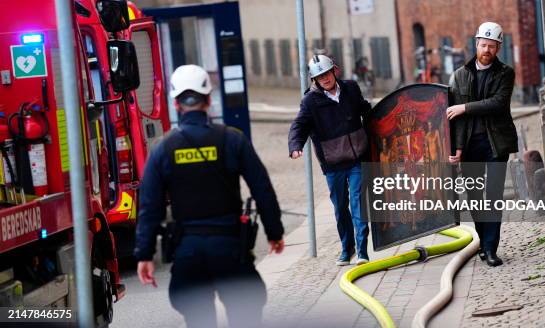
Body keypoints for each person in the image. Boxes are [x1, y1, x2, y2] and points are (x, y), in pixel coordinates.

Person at [134, 65, 285, 327]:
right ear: (209, 98)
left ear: (176, 103)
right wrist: (274, 232)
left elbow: (150, 207)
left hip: (188, 252)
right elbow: (262, 189)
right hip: (230, 248)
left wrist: (144, 254)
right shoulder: (232, 140)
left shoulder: (163, 149)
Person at [288, 51, 371, 266]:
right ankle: (347, 248)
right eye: (319, 76)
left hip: (357, 159)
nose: (324, 79)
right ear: (314, 80)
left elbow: (365, 110)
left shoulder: (351, 88)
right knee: (340, 207)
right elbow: (299, 125)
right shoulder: (310, 101)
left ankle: (362, 252)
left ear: (334, 71)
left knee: (358, 203)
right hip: (333, 164)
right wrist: (295, 145)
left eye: (326, 73)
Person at [447, 22, 518, 267]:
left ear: (498, 47)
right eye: (483, 44)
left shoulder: (505, 73)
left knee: (494, 194)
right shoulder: (460, 75)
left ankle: (490, 249)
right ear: (476, 44)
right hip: (469, 146)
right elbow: (452, 120)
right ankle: (482, 240)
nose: (487, 49)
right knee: (476, 197)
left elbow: (498, 103)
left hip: (495, 142)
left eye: (492, 46)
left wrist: (464, 107)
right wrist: (455, 149)